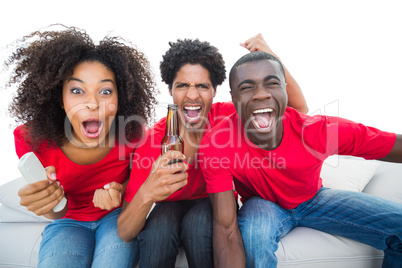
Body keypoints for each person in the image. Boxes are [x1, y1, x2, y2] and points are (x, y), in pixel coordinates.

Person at [117, 34, 308, 267]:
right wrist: (148, 192)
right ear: (170, 90)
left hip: (213, 205)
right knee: (161, 224)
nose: (192, 95)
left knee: (199, 223)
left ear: (215, 90)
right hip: (168, 210)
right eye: (182, 85)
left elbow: (297, 111)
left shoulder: (227, 117)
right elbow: (125, 231)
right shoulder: (153, 142)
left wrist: (271, 58)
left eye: (202, 86)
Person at [199, 51, 402, 267]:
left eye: (272, 83)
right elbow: (226, 229)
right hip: (262, 204)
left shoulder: (318, 131)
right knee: (254, 238)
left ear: (285, 89)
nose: (260, 94)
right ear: (233, 97)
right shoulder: (217, 143)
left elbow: (388, 144)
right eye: (247, 87)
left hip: (313, 199)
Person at [7, 26, 157, 267]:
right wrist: (48, 203)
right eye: (77, 90)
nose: (92, 103)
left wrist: (120, 191)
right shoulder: (30, 137)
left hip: (116, 217)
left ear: (121, 98)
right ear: (60, 97)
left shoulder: (133, 134)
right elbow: (55, 212)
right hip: (67, 221)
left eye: (105, 91)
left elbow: (137, 182)